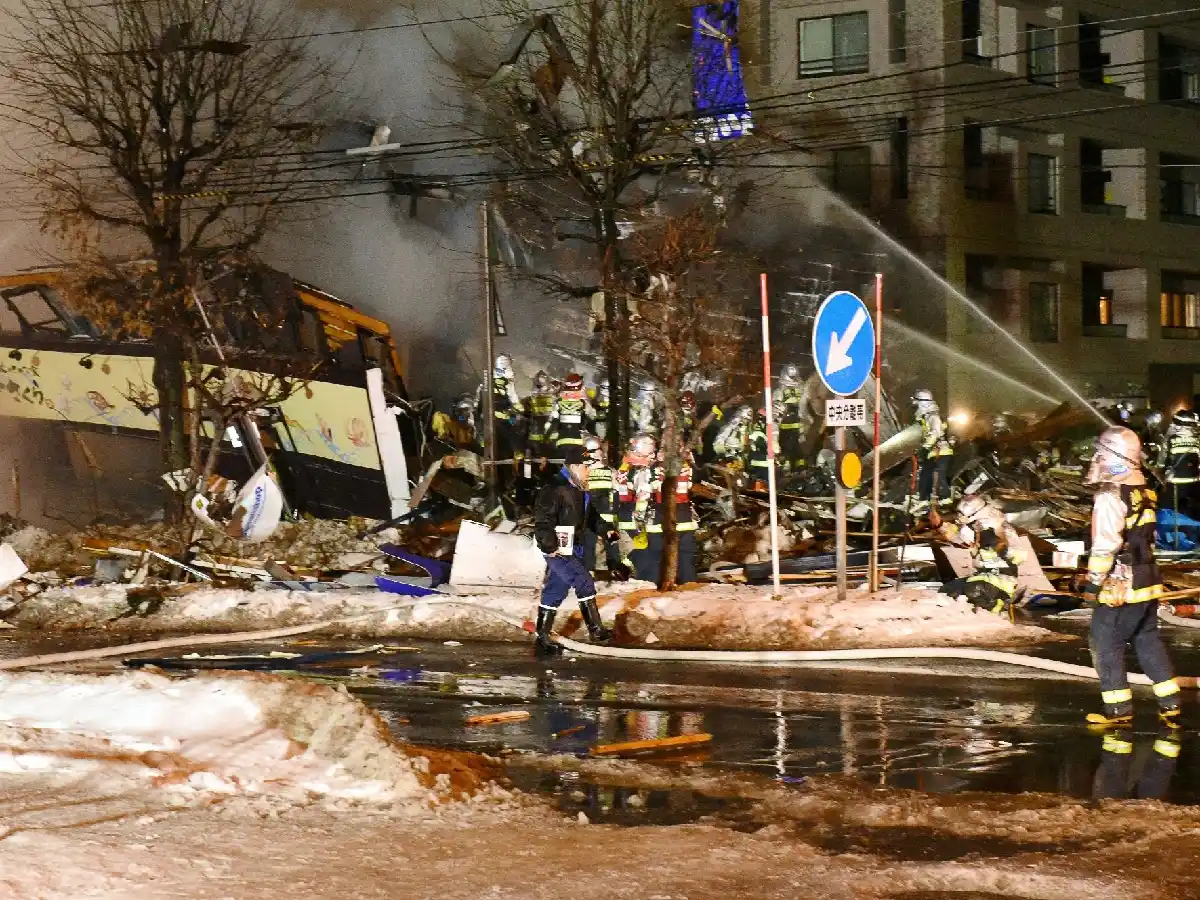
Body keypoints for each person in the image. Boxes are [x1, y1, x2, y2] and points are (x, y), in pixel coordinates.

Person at [1082, 426, 1180, 729]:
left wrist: (1092, 583)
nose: (1096, 459)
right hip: (1148, 577)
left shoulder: (1112, 495)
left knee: (1105, 641)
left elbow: (1105, 544)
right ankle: (1171, 704)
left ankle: (1118, 711)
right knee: (1147, 639)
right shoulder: (1144, 488)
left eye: (1102, 453)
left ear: (1117, 458)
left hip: (1120, 584)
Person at [533, 446, 618, 657]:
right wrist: (549, 547)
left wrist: (606, 531)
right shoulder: (554, 488)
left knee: (556, 590)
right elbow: (543, 520)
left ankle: (542, 636)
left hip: (574, 546)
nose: (589, 472)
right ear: (574, 467)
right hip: (558, 549)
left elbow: (590, 518)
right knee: (584, 582)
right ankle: (596, 630)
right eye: (586, 467)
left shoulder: (579, 488)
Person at [939, 494, 1025, 616]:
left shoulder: (1002, 529)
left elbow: (1018, 555)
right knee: (946, 591)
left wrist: (998, 549)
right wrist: (940, 526)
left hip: (1002, 579)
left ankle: (998, 609)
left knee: (974, 590)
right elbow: (961, 540)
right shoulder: (975, 528)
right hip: (983, 576)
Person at [639, 445, 699, 585]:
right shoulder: (687, 467)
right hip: (684, 515)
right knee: (686, 557)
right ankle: (688, 586)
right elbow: (692, 486)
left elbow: (645, 493)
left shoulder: (652, 470)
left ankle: (652, 587)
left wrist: (640, 517)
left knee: (655, 556)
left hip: (660, 514)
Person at [615, 433, 657, 581]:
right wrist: (641, 519)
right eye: (651, 452)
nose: (653, 456)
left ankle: (626, 570)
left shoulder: (625, 467)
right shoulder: (641, 471)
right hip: (635, 518)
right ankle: (630, 573)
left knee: (634, 551)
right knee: (644, 552)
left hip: (624, 516)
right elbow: (643, 496)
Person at [476, 353, 523, 467]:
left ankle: (482, 446)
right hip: (501, 420)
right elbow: (514, 399)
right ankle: (518, 452)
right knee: (514, 433)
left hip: (487, 422)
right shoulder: (506, 383)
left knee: (485, 442)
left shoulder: (484, 383)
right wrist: (521, 410)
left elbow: (477, 403)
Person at [912, 389, 953, 510]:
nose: (916, 404)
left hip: (941, 451)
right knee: (926, 474)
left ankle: (945, 499)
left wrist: (925, 447)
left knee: (939, 474)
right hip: (933, 451)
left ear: (923, 402)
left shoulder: (933, 416)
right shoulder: (927, 417)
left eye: (918, 401)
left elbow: (935, 433)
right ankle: (924, 499)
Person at [583, 435, 616, 573]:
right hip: (596, 513)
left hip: (598, 513)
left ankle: (614, 570)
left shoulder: (609, 472)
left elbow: (616, 492)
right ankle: (592, 571)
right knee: (593, 544)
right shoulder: (586, 471)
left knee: (608, 543)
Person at [1162, 409, 1199, 520]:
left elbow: (1161, 461)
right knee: (1194, 513)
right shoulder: (1197, 441)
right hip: (1194, 484)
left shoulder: (1170, 440)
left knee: (1168, 513)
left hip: (1174, 484)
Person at [775, 364, 808, 472]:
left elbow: (803, 406)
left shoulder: (799, 389)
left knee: (795, 449)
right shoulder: (781, 390)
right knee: (791, 448)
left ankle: (798, 469)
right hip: (787, 424)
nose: (793, 379)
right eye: (791, 376)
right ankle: (791, 469)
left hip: (794, 424)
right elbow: (777, 406)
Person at [551, 372, 591, 453]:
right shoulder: (582, 397)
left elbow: (554, 414)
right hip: (576, 436)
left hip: (564, 438)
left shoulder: (561, 396)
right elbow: (589, 411)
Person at [524, 370, 556, 463]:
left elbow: (554, 407)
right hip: (540, 425)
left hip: (544, 425)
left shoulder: (550, 393)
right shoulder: (537, 393)